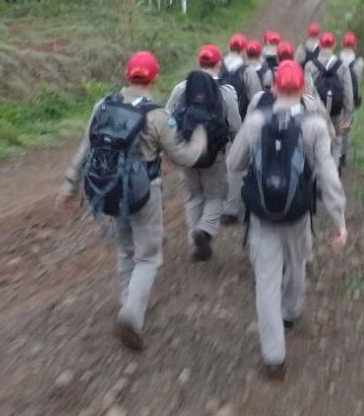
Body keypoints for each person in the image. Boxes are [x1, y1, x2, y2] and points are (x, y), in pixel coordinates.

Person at [55, 51, 207, 352]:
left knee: (125, 251)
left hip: (109, 190)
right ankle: (131, 316)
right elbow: (183, 157)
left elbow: (85, 148)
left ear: (127, 75)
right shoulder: (158, 116)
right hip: (144, 193)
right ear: (154, 78)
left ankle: (127, 302)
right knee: (148, 256)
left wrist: (69, 186)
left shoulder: (102, 105)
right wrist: (200, 139)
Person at [227, 60, 347, 379]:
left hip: (262, 217)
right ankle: (291, 312)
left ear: (275, 87)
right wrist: (339, 219)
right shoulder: (315, 127)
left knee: (266, 281)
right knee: (296, 263)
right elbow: (328, 174)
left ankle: (274, 357)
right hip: (297, 214)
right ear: (304, 89)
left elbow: (233, 163)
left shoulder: (255, 121)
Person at [168, 45, 241, 257]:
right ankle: (205, 231)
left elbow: (167, 120)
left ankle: (194, 242)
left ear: (199, 62)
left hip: (186, 152)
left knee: (193, 196)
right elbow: (235, 127)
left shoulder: (180, 89)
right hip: (214, 155)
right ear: (219, 63)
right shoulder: (226, 92)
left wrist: (174, 146)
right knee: (215, 195)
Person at [305, 32, 354, 168]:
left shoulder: (310, 65)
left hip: (316, 114)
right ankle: (334, 171)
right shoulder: (342, 66)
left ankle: (317, 174)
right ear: (334, 45)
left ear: (320, 45)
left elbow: (308, 92)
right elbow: (348, 92)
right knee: (336, 143)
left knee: (316, 145)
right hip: (336, 113)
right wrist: (348, 116)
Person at [339, 31, 364, 168]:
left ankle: (332, 152)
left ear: (342, 44)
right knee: (345, 127)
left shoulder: (335, 59)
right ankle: (342, 156)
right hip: (351, 99)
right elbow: (358, 82)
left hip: (337, 97)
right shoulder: (359, 63)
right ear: (354, 45)